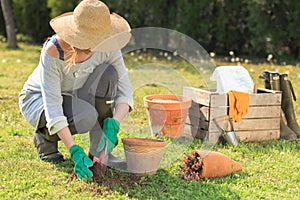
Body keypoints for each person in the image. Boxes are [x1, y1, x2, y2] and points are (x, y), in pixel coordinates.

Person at [18, 0, 133, 181]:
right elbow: (53, 107)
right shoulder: (53, 52)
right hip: (38, 100)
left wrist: (114, 124)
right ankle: (45, 138)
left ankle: (99, 152)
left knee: (108, 74)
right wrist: (74, 150)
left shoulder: (108, 45)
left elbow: (125, 91)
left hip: (74, 94)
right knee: (85, 116)